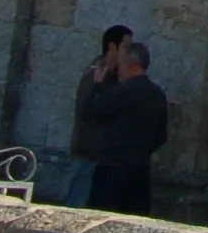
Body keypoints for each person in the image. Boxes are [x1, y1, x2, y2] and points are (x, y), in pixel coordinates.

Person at [81, 40, 168, 214]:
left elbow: (91, 112)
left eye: (120, 63)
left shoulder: (123, 92)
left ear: (131, 64)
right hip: (140, 169)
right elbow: (161, 135)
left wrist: (97, 84)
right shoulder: (157, 95)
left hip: (113, 168)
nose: (118, 68)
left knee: (101, 218)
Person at [64, 23, 134, 205]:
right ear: (112, 47)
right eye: (125, 47)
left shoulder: (112, 77)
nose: (127, 54)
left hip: (100, 158)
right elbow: (87, 112)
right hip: (88, 156)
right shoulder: (95, 75)